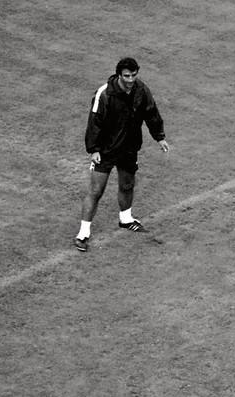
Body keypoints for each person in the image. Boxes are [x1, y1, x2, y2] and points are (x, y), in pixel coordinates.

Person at [73, 57, 170, 253]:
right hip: (106, 151)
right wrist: (94, 149)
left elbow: (151, 113)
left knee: (127, 185)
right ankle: (83, 234)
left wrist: (159, 137)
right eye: (127, 76)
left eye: (134, 75)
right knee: (96, 191)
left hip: (128, 148)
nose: (131, 79)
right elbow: (95, 122)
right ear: (119, 74)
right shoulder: (105, 94)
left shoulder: (141, 90)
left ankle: (126, 219)